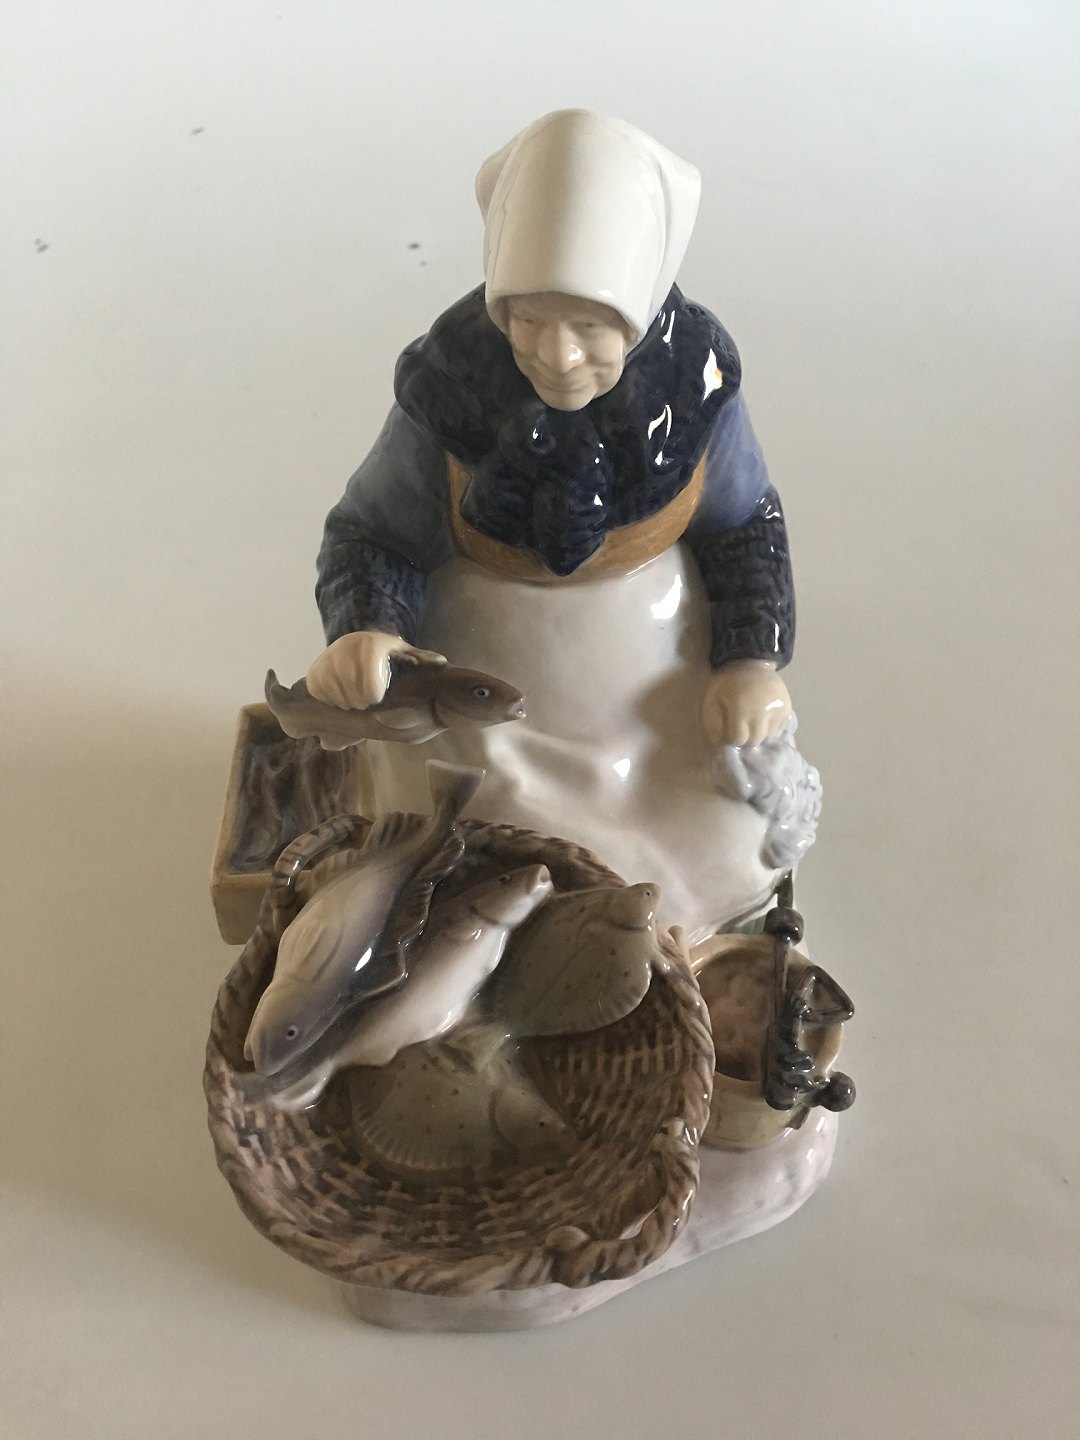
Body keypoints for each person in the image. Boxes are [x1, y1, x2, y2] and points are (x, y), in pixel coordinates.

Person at [307, 110, 804, 941]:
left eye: (590, 327)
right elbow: (371, 532)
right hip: (488, 686)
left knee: (728, 839)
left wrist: (750, 660)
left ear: (639, 314)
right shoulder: (449, 389)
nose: (557, 355)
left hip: (656, 682)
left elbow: (746, 526)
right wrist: (367, 629)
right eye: (529, 321)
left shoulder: (697, 389)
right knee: (502, 843)